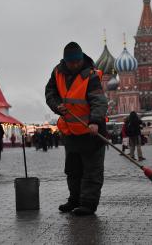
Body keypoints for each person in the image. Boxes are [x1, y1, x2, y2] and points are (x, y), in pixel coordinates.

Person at [45, 42, 108, 216]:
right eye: (71, 62)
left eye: (77, 62)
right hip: (71, 132)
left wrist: (95, 121)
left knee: (91, 171)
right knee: (73, 170)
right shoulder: (57, 72)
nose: (74, 65)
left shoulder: (91, 75)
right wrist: (57, 106)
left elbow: (99, 101)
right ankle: (74, 200)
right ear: (65, 61)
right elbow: (50, 92)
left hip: (91, 131)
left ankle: (88, 204)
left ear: (81, 59)